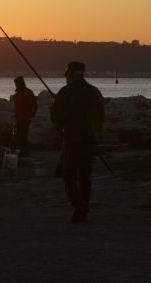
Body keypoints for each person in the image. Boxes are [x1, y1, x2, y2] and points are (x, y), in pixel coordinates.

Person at [51, 61, 105, 224]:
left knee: (69, 177)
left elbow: (58, 118)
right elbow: (101, 117)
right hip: (91, 140)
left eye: (67, 74)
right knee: (85, 177)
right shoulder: (95, 92)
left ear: (72, 74)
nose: (66, 77)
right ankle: (84, 208)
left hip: (73, 140)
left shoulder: (65, 92)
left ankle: (79, 206)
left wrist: (53, 111)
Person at [13, 76, 38, 160]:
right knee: (20, 136)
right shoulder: (18, 94)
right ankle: (22, 152)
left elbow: (33, 105)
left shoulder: (27, 93)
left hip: (25, 118)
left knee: (23, 135)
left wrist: (31, 115)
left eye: (16, 83)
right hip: (19, 118)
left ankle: (25, 153)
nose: (16, 85)